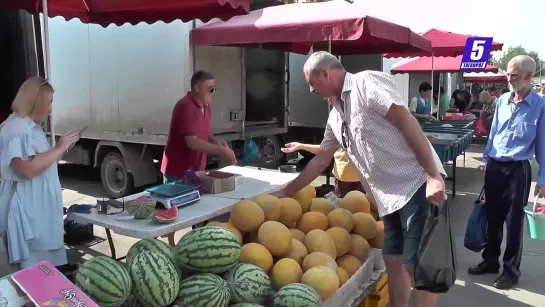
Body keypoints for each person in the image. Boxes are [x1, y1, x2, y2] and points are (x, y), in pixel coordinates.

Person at [272, 51, 447, 307]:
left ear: (325, 74)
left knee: (416, 268)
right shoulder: (335, 114)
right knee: (393, 261)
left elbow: (406, 121)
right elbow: (322, 158)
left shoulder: (365, 84)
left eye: (311, 82)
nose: (310, 90)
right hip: (389, 198)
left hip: (415, 184)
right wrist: (286, 192)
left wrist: (432, 176)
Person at [468, 55, 545, 290]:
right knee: (492, 218)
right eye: (508, 74)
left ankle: (510, 270)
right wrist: (487, 158)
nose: (509, 79)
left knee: (513, 223)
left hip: (518, 171)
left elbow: (543, 145)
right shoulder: (501, 100)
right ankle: (490, 261)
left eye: (514, 74)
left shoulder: (540, 107)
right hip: (494, 167)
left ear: (529, 77)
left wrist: (542, 179)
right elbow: (494, 134)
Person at [0, 77, 80, 273]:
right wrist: (59, 147)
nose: (51, 109)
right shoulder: (16, 129)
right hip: (28, 216)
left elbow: (40, 160)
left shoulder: (29, 127)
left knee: (43, 274)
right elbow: (26, 169)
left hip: (38, 214)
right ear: (37, 101)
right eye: (49, 101)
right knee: (30, 278)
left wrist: (60, 150)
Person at [161, 71, 237, 246]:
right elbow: (193, 142)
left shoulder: (206, 106)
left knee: (197, 209)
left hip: (196, 168)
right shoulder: (184, 106)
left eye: (214, 89)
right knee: (173, 213)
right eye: (210, 89)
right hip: (177, 169)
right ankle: (169, 247)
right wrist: (222, 152)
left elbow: (205, 133)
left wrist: (217, 142)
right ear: (197, 87)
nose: (213, 92)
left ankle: (198, 245)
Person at [281, 144, 364, 197]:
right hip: (342, 181)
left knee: (361, 210)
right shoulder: (339, 130)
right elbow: (324, 149)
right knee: (343, 209)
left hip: (361, 181)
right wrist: (301, 146)